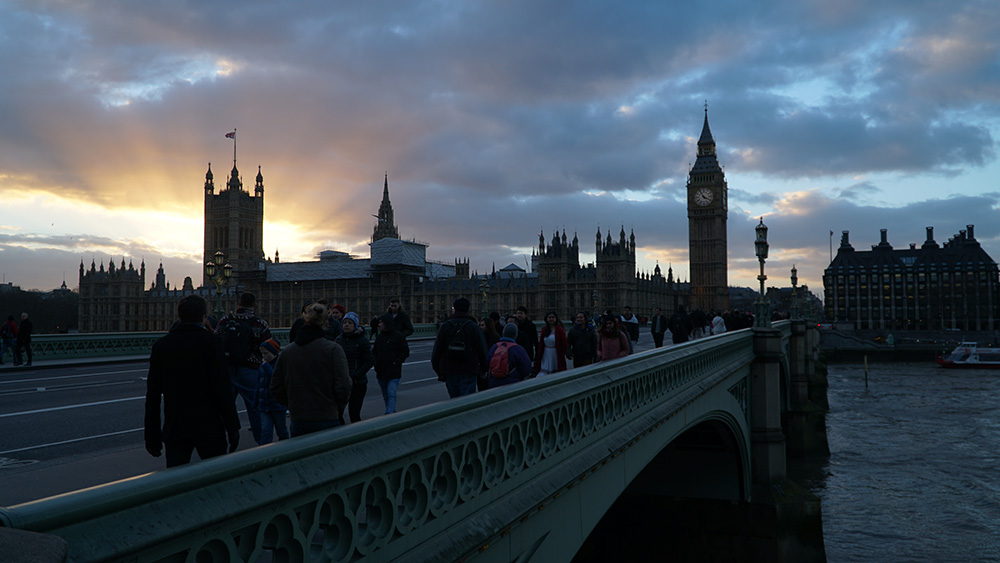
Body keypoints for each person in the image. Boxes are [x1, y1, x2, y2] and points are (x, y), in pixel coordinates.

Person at [144, 295, 240, 468]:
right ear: (203, 317)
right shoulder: (212, 342)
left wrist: (152, 437)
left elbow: (153, 395)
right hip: (209, 427)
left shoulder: (161, 346)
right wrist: (233, 428)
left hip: (176, 429)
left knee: (176, 484)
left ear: (179, 315)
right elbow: (223, 389)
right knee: (216, 480)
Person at [270, 302, 351, 437]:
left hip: (298, 418)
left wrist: (292, 406)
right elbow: (344, 386)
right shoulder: (333, 350)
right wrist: (336, 408)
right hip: (327, 417)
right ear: (326, 324)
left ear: (305, 321)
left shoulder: (287, 352)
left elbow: (275, 387)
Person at [214, 292, 272, 445]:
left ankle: (219, 442)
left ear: (239, 303)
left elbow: (215, 340)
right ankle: (263, 446)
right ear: (254, 304)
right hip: (250, 370)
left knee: (224, 408)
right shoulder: (260, 323)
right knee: (256, 410)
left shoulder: (225, 320)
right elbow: (268, 347)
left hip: (227, 370)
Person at [431, 297, 488, 398]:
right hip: (469, 370)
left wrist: (439, 371)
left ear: (454, 309)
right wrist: (483, 369)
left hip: (449, 370)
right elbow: (482, 350)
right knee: (466, 403)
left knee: (454, 401)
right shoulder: (473, 326)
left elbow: (436, 352)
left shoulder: (445, 326)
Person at [337, 312, 374, 423]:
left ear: (355, 325)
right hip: (342, 382)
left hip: (357, 383)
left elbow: (370, 360)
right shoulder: (339, 340)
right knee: (337, 413)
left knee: (354, 414)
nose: (346, 325)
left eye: (350, 323)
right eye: (344, 323)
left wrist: (357, 375)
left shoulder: (362, 341)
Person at [373, 312, 409, 414]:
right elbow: (374, 352)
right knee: (385, 395)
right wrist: (375, 362)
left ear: (386, 323)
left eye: (380, 322)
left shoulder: (399, 337)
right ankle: (390, 411)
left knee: (391, 393)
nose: (379, 325)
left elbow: (405, 351)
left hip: (394, 371)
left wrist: (396, 362)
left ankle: (389, 413)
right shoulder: (379, 337)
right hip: (381, 371)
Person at [256, 338, 289, 444]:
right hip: (264, 406)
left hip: (277, 406)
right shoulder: (262, 366)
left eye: (266, 353)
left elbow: (275, 379)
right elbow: (258, 386)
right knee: (265, 432)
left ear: (274, 353)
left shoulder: (278, 365)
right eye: (262, 354)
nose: (263, 357)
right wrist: (255, 401)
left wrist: (266, 367)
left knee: (282, 431)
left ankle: (285, 450)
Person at [486, 323, 532, 388]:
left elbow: (487, 363)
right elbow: (526, 368)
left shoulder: (494, 347)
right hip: (512, 383)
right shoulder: (518, 349)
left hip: (493, 383)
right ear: (515, 335)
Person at [534, 311, 568, 376]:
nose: (551, 319)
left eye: (553, 317)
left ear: (556, 319)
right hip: (545, 353)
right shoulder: (544, 329)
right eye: (549, 317)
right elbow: (541, 343)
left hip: (555, 353)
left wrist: (562, 354)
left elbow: (564, 343)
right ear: (547, 319)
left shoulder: (560, 330)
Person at [478, 317, 501, 391]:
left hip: (492, 369)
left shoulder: (495, 338)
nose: (480, 327)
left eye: (482, 325)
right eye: (480, 325)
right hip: (482, 369)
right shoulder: (479, 337)